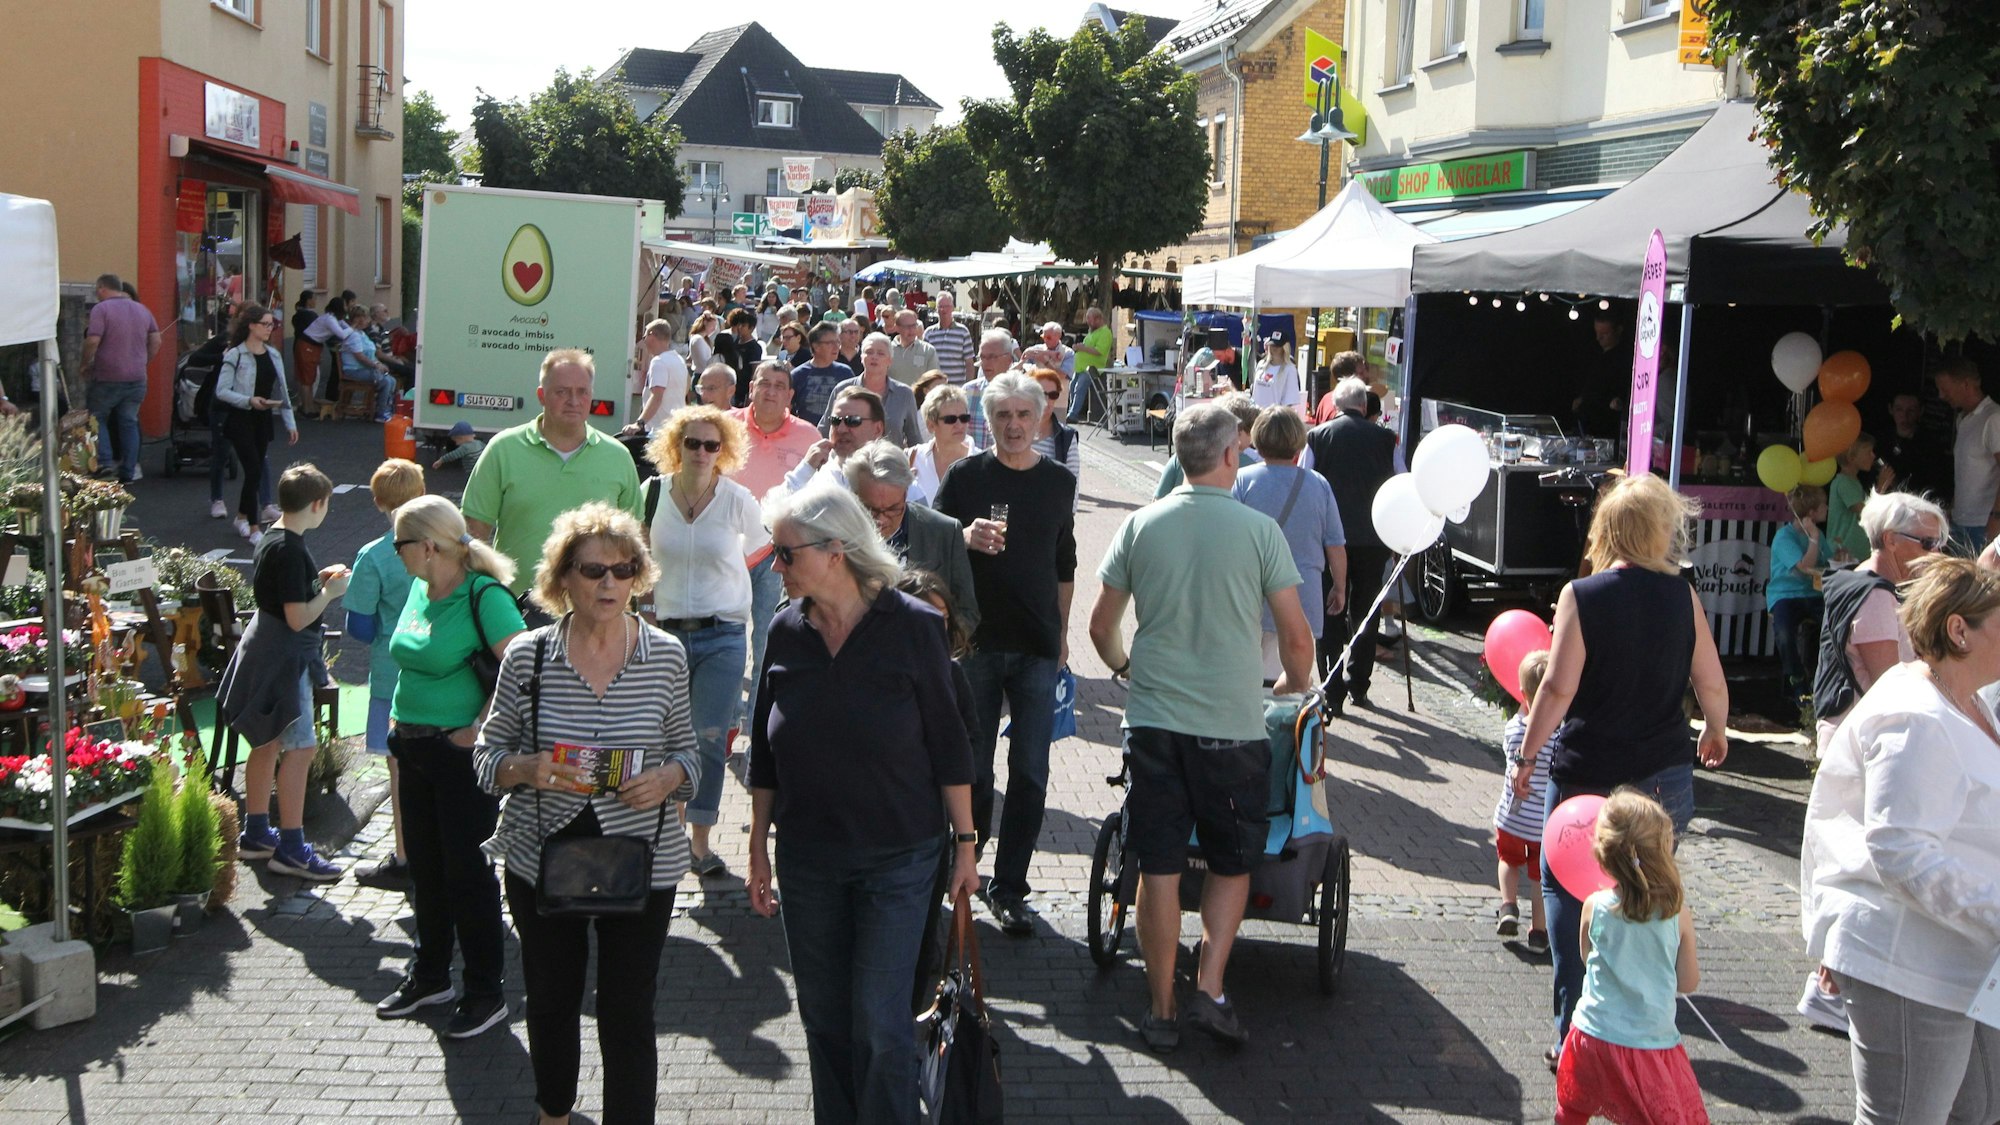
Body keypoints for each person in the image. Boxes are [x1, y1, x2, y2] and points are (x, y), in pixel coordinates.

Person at [746, 483, 979, 1125]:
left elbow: (950, 746)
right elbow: (765, 752)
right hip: (807, 857)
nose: (775, 565)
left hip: (898, 857)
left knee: (879, 1023)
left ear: (836, 552)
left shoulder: (915, 627)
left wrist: (965, 846)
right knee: (824, 1021)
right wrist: (757, 846)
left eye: (786, 553)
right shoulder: (785, 630)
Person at [1088, 401, 1314, 1051]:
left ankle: (1160, 1007)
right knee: (1230, 860)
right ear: (1230, 455)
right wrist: (1291, 685)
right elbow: (1296, 639)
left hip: (1154, 719)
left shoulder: (1142, 524)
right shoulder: (1258, 532)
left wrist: (1125, 667)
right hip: (1230, 723)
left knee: (1158, 865)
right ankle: (1209, 987)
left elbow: (1101, 627)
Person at [474, 504, 700, 1125]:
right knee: (551, 998)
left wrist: (669, 778)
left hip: (643, 856)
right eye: (594, 570)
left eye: (623, 570)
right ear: (563, 579)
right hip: (542, 852)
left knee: (629, 1008)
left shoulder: (666, 655)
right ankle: (554, 1113)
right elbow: (487, 758)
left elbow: (690, 755)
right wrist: (525, 768)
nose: (609, 583)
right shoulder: (529, 656)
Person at [1512, 473, 1731, 1069]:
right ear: (1661, 531)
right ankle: (1641, 1028)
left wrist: (1527, 756)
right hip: (1663, 775)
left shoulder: (1582, 594)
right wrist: (1716, 728)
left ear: (1606, 529)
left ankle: (1574, 1036)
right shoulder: (1682, 596)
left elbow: (1557, 689)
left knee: (1567, 891)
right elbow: (1710, 680)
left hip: (1588, 773)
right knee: (1646, 898)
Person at [1804, 555, 2000, 1124]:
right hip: (1909, 958)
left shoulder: (1969, 700)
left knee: (1980, 1109)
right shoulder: (1917, 714)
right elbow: (1900, 849)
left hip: (1962, 956)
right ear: (1959, 630)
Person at [373, 496, 526, 1038]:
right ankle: (430, 975)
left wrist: (479, 728)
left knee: (468, 874)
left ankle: (485, 992)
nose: (396, 553)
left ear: (428, 546)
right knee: (426, 870)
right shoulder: (421, 588)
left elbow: (524, 671)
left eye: (400, 544)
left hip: (459, 758)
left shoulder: (484, 595)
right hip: (412, 748)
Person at [933, 372, 1078, 936]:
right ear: (988, 420)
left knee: (1031, 773)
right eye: (1003, 416)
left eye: (1023, 415)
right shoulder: (966, 477)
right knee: (972, 768)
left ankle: (1011, 886)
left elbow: (1064, 563)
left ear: (1040, 418)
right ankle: (964, 867)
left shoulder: (1059, 482)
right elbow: (930, 544)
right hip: (976, 643)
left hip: (1036, 644)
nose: (1014, 425)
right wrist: (963, 536)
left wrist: (1062, 634)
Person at [642, 406, 768, 879]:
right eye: (692, 443)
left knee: (709, 738)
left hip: (723, 635)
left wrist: (729, 580)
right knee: (664, 738)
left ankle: (699, 842)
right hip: (665, 635)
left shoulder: (737, 499)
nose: (700, 452)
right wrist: (646, 608)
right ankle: (668, 835)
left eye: (711, 445)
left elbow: (760, 547)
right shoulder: (652, 493)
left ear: (724, 450)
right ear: (676, 446)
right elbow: (639, 555)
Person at [216, 462, 347, 881]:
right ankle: (291, 848)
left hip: (264, 647)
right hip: (285, 657)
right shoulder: (292, 549)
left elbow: (282, 596)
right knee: (300, 749)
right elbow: (297, 617)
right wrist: (328, 593)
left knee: (266, 741)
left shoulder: (273, 536)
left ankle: (256, 833)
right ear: (317, 504)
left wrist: (315, 583)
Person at [1555, 789, 1708, 1125]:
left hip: (1591, 1033)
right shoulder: (1676, 913)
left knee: (1573, 1108)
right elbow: (1688, 982)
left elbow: (1587, 958)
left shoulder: (1594, 905)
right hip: (1648, 1042)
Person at [462, 349, 643, 594]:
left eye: (582, 392)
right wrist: (483, 598)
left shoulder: (618, 456)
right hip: (515, 606)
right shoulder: (503, 450)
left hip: (597, 608)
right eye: (562, 392)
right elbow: (473, 534)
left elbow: (635, 541)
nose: (574, 401)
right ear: (541, 396)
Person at [343, 459, 426, 890]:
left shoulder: (374, 555)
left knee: (401, 774)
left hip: (393, 675)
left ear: (377, 502)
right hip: (447, 674)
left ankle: (406, 857)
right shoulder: (451, 546)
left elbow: (359, 627)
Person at [729, 360, 821, 735]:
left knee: (767, 643)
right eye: (764, 383)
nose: (770, 391)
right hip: (728, 553)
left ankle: (755, 730)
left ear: (790, 395)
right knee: (727, 643)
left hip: (778, 556)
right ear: (751, 388)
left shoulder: (808, 436)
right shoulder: (725, 426)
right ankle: (728, 723)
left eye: (779, 386)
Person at [1812, 491, 1946, 747]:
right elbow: (1889, 683)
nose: (1937, 552)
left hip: (1852, 732)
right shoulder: (1876, 596)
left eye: (1938, 543)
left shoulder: (1860, 579)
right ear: (1890, 539)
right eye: (1928, 543)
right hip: (1863, 739)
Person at [1305, 376, 1398, 706]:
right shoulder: (1386, 439)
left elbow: (1306, 482)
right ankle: (1359, 682)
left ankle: (1331, 688)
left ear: (1336, 405)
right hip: (1373, 537)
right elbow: (1400, 482)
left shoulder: (1318, 437)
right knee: (1366, 610)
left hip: (1330, 539)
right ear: (1363, 405)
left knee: (1330, 608)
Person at [1232, 408, 1344, 682]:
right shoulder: (1318, 484)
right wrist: (1339, 587)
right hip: (1303, 594)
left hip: (1253, 592)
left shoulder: (1242, 480)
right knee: (1291, 682)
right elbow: (1335, 544)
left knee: (1250, 679)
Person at [846, 438, 979, 635]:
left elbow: (967, 612)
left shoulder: (943, 532)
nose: (881, 519)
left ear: (906, 493)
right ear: (854, 495)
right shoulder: (836, 536)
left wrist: (934, 644)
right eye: (870, 509)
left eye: (893, 509)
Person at [212, 304, 299, 544]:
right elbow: (222, 391)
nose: (270, 329)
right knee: (253, 470)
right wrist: (248, 400)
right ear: (251, 325)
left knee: (256, 470)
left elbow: (282, 389)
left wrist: (290, 423)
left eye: (272, 324)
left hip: (263, 419)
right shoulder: (235, 354)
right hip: (240, 418)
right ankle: (253, 528)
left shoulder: (273, 354)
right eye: (265, 324)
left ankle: (241, 516)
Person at [1493, 650, 1553, 953]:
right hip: (1542, 823)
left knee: (1508, 861)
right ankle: (1539, 932)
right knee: (1539, 878)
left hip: (1512, 818)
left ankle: (1508, 906)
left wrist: (1525, 700)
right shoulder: (1557, 736)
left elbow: (1522, 714)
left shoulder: (1514, 729)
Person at [82, 273, 162, 484]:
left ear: (102, 288)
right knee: (129, 421)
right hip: (137, 378)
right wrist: (144, 361)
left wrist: (85, 364)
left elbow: (92, 340)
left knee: (98, 418)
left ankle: (105, 465)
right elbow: (156, 340)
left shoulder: (101, 309)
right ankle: (129, 471)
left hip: (107, 375)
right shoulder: (142, 309)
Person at [1767, 485, 1828, 712]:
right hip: (1785, 595)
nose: (1827, 508)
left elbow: (1828, 561)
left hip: (1813, 594)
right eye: (1823, 505)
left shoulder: (1820, 535)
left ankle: (1826, 677)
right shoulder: (1784, 537)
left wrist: (1840, 554)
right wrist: (1814, 539)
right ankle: (1797, 679)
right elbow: (1805, 567)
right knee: (1784, 634)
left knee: (1834, 627)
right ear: (1812, 513)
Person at [1932, 359, 2000, 553]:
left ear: (1966, 384)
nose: (1941, 396)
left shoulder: (1993, 418)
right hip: (1960, 521)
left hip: (1983, 523)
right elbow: (1966, 472)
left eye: (1945, 389)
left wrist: (1997, 518)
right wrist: (1953, 508)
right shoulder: (1962, 419)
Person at [822, 333, 922, 447]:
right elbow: (825, 429)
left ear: (890, 360)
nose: (874, 357)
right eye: (869, 352)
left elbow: (914, 438)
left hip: (890, 457)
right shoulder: (842, 389)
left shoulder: (904, 394)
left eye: (881, 353)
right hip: (849, 457)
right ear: (861, 357)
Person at [1154, 393, 1262, 497]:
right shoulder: (1251, 467)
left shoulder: (1180, 457)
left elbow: (1158, 498)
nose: (1252, 437)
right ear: (1239, 431)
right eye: (1251, 430)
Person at [787, 386, 885, 493]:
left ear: (877, 429)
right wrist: (805, 469)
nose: (841, 429)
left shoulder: (892, 476)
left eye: (852, 421)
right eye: (835, 421)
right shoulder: (813, 472)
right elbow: (778, 502)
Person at [909, 384, 979, 506]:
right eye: (950, 419)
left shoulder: (980, 461)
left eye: (964, 418)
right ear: (931, 425)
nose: (959, 425)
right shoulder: (913, 458)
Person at [624, 319, 689, 438]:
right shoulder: (679, 360)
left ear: (651, 335)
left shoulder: (659, 362)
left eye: (644, 337)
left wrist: (640, 423)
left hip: (660, 431)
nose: (644, 341)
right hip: (676, 428)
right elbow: (685, 389)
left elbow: (657, 396)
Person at [337, 305, 400, 422]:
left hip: (364, 369)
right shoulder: (353, 336)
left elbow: (371, 354)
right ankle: (381, 413)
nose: (367, 320)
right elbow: (360, 357)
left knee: (392, 380)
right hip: (354, 370)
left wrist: (379, 364)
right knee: (385, 381)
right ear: (357, 319)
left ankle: (386, 409)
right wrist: (376, 365)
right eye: (365, 318)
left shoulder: (362, 334)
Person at [1880, 392, 1949, 497]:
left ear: (1920, 411)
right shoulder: (1882, 440)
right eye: (1899, 409)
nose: (1905, 415)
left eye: (1911, 410)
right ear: (1890, 409)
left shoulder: (1930, 444)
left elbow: (1938, 480)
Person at [1828, 435, 1884, 562]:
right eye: (1868, 452)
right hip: (1845, 552)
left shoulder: (1854, 482)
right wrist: (1881, 487)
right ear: (1851, 457)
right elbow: (1864, 512)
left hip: (1856, 551)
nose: (1873, 456)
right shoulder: (1844, 482)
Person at [1574, 311, 1630, 439]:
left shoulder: (1623, 360)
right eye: (1597, 333)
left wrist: (1618, 402)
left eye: (1605, 334)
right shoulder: (1594, 354)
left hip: (1607, 429)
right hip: (1587, 426)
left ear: (1618, 330)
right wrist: (1582, 399)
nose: (1598, 338)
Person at [1028, 368, 1082, 500]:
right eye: (1041, 394)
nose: (1047, 401)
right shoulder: (1014, 432)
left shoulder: (1066, 437)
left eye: (1053, 395)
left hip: (1051, 510)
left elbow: (1072, 486)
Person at [791, 323, 855, 424]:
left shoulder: (845, 373)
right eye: (830, 343)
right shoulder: (798, 375)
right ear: (816, 346)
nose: (836, 347)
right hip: (807, 431)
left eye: (838, 342)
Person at [964, 329, 1014, 449]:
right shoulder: (969, 391)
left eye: (992, 357)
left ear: (1008, 360)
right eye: (982, 357)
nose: (985, 363)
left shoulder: (1023, 393)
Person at [1068, 306, 1114, 424]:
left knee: (1079, 388)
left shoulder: (1105, 333)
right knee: (1072, 387)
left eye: (1090, 319)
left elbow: (1099, 351)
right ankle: (1071, 412)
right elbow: (1087, 347)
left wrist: (1082, 348)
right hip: (1080, 367)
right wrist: (1079, 347)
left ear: (1098, 319)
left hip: (1092, 368)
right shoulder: (1091, 332)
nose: (1087, 321)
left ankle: (1073, 415)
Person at [714, 309, 763, 407]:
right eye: (739, 325)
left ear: (751, 328)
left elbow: (755, 371)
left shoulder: (754, 347)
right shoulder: (734, 342)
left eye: (743, 326)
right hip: (731, 387)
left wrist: (751, 393)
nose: (740, 328)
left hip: (743, 390)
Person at [926, 292, 976, 386]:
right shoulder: (929, 333)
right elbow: (924, 363)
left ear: (952, 308)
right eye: (940, 306)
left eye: (947, 306)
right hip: (936, 388)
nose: (943, 309)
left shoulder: (963, 332)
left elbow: (969, 363)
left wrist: (968, 387)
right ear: (936, 309)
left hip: (957, 387)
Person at [887, 309, 940, 387]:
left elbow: (934, 381)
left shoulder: (928, 350)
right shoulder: (887, 351)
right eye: (907, 326)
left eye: (914, 325)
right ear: (897, 328)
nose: (911, 330)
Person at [1250, 335, 1302, 413]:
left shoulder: (1289, 369)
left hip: (1274, 416)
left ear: (1284, 348)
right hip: (1256, 414)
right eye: (1272, 345)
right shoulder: (1261, 365)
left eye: (1277, 346)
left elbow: (1290, 401)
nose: (1273, 348)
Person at [687, 312, 719, 376]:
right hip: (701, 374)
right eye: (712, 325)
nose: (714, 329)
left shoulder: (702, 339)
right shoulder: (698, 339)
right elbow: (703, 362)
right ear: (705, 323)